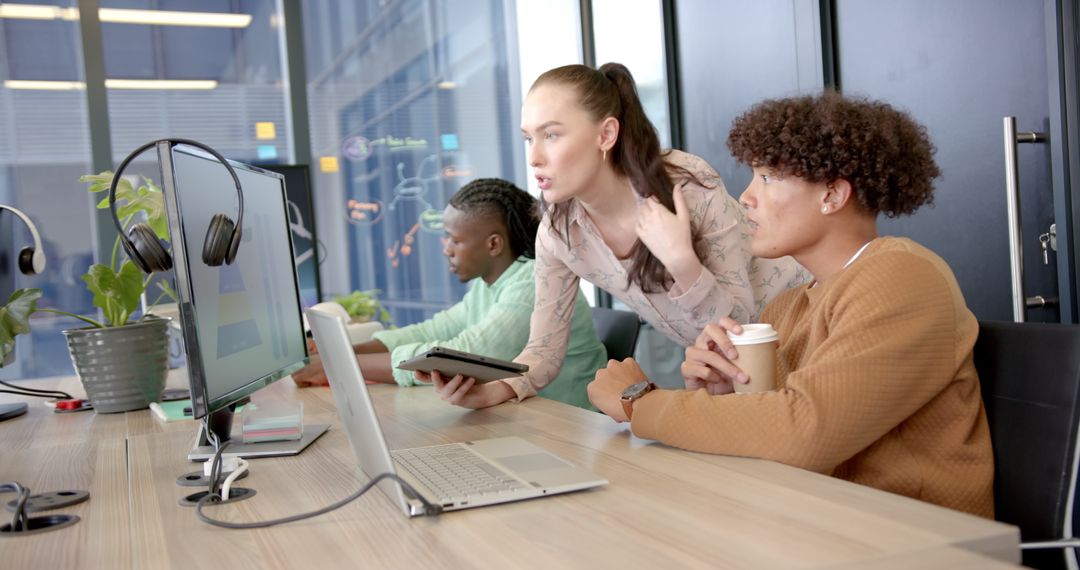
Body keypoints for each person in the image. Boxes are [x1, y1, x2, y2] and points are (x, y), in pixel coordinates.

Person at [586, 92, 994, 517]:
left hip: (913, 541)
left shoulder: (902, 277)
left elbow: (803, 433)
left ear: (832, 195)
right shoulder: (788, 307)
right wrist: (727, 392)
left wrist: (640, 401)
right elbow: (776, 440)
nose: (746, 196)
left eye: (768, 177)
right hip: (815, 523)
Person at [426, 63, 808, 410]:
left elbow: (740, 325)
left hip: (803, 331)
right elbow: (543, 348)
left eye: (552, 135)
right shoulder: (559, 233)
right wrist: (494, 390)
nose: (534, 158)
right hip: (728, 375)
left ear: (606, 134)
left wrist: (682, 263)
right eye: (529, 138)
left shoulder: (686, 185)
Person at [294, 177, 606, 411]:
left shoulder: (532, 283)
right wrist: (331, 350)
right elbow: (433, 331)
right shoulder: (488, 287)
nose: (446, 249)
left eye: (454, 239)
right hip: (526, 419)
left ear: (493, 244)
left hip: (569, 427)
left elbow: (463, 354)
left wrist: (333, 362)